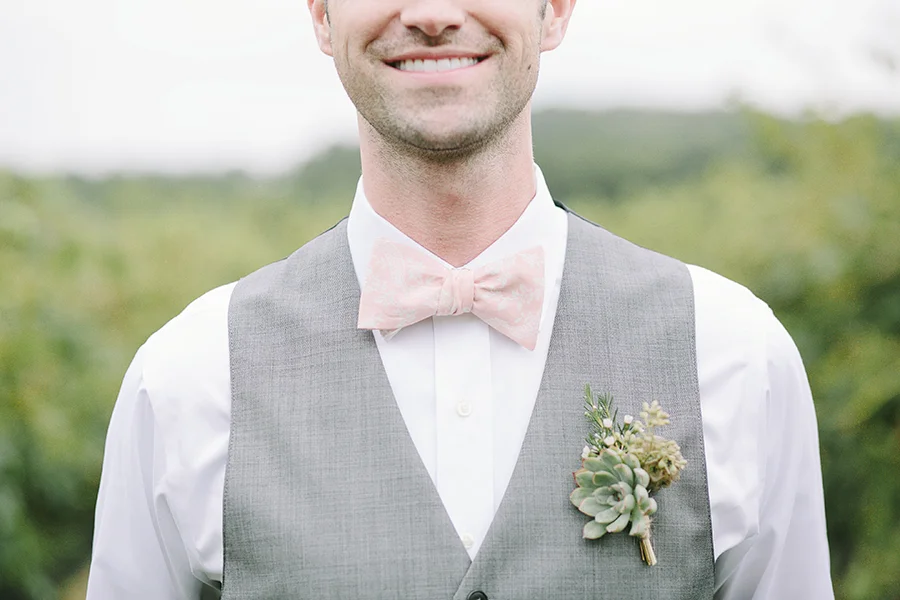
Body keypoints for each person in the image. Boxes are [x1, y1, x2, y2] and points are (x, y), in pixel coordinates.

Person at [86, 0, 834, 598]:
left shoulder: (735, 355)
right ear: (319, 13)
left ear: (557, 8)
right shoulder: (188, 378)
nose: (434, 13)